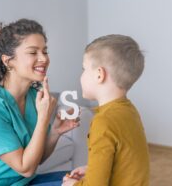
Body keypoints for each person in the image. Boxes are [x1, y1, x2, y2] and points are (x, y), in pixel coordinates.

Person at [0, 18, 79, 186]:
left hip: (22, 182)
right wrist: (44, 119)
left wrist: (55, 132)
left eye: (45, 51)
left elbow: (37, 158)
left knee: (86, 179)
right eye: (33, 52)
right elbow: (26, 168)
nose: (43, 58)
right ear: (8, 61)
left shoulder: (32, 96)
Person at [62, 34, 149, 186]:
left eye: (84, 69)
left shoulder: (103, 122)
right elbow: (125, 163)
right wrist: (91, 170)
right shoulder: (129, 111)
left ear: (99, 75)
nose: (81, 75)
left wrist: (72, 185)